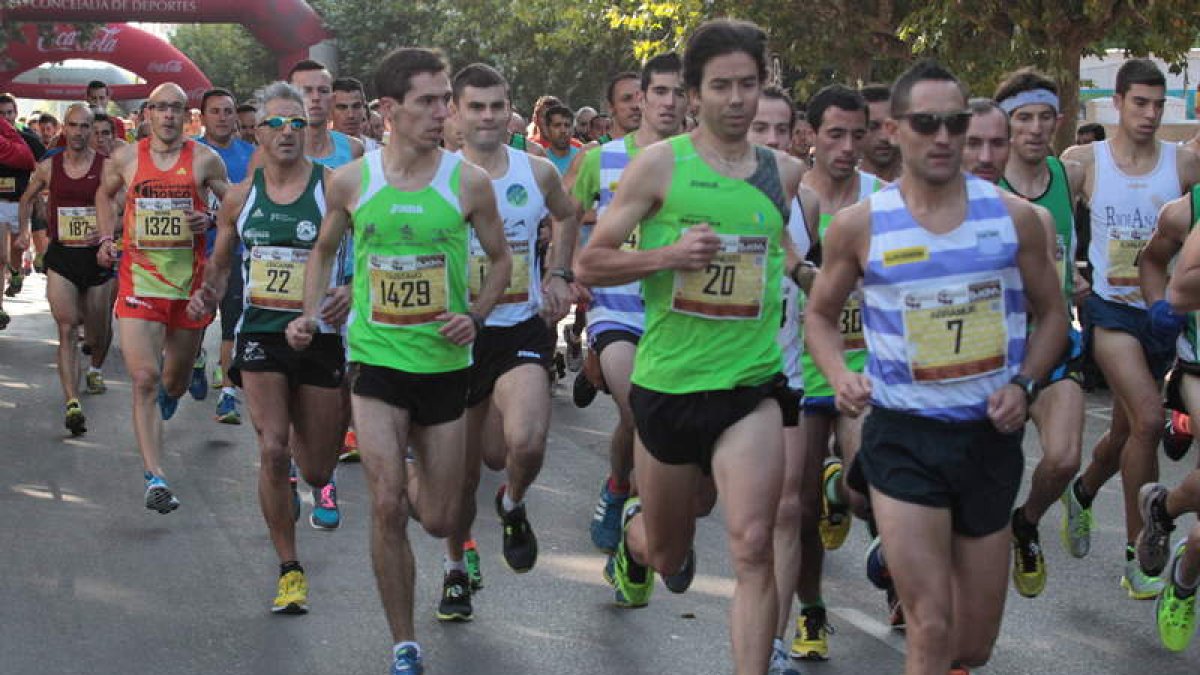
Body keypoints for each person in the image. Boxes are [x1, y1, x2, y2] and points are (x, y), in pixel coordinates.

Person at [805, 59, 1067, 675]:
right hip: (904, 435)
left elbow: (1053, 315)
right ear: (894, 130)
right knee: (929, 621)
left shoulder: (1014, 219)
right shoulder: (860, 226)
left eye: (955, 122)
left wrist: (1025, 384)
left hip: (987, 438)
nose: (945, 136)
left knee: (972, 644)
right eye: (928, 123)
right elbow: (819, 317)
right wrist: (842, 375)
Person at [577, 19, 808, 674]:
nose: (738, 99)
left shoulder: (781, 173)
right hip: (670, 384)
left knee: (754, 544)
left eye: (749, 85)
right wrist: (670, 254)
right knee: (670, 552)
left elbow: (783, 251)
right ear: (694, 94)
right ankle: (633, 537)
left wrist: (815, 280)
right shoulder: (661, 165)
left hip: (750, 386)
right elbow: (592, 262)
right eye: (722, 86)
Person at [285, 46, 511, 675]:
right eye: (429, 101)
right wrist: (308, 314)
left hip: (444, 366)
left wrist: (479, 314)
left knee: (440, 513)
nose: (444, 112)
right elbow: (323, 252)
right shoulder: (353, 181)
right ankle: (404, 644)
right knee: (385, 502)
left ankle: (420, 486)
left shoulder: (467, 182)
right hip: (376, 361)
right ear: (390, 110)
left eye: (446, 100)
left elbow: (500, 260)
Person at [188, 80, 346, 615]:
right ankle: (289, 568)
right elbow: (222, 264)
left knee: (319, 467)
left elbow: (371, 251)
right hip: (259, 334)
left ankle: (312, 479)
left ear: (309, 129)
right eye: (276, 124)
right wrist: (206, 296)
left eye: (296, 123)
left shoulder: (336, 188)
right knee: (273, 448)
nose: (286, 133)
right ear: (258, 130)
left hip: (322, 337)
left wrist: (349, 292)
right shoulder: (240, 195)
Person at [436, 62, 580, 621]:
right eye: (476, 107)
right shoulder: (436, 175)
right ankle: (454, 569)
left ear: (511, 109)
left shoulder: (536, 171)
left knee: (525, 442)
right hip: (455, 337)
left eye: (497, 105)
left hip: (519, 326)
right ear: (455, 112)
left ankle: (514, 502)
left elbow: (568, 218)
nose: (488, 116)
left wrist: (559, 274)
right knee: (465, 470)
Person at [1062, 58, 1200, 598]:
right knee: (1146, 421)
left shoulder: (1183, 164)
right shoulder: (1083, 160)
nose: (1148, 114)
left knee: (1122, 434)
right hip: (1110, 310)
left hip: (1166, 318)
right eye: (1139, 103)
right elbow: (1046, 214)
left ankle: (1084, 487)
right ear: (1117, 102)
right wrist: (1065, 269)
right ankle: (1139, 550)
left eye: (1158, 105)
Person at [569, 52, 689, 562]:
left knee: (652, 420)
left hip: (678, 313)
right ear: (641, 97)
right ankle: (633, 506)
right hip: (616, 309)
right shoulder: (601, 158)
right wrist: (566, 270)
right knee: (637, 407)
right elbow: (566, 216)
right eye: (660, 91)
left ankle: (622, 483)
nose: (669, 101)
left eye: (680, 92)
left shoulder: (701, 161)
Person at [94, 82, 230, 514]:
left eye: (176, 108)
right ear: (147, 114)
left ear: (186, 115)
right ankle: (155, 477)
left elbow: (234, 209)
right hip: (139, 284)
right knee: (145, 379)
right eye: (160, 108)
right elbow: (104, 193)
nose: (168, 115)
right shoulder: (127, 158)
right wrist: (104, 235)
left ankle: (184, 378)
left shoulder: (206, 159)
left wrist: (207, 217)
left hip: (187, 289)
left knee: (171, 382)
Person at [992, 69, 1091, 599]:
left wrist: (1079, 274)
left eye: (1044, 117)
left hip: (1053, 340)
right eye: (1023, 118)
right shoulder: (987, 184)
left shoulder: (1067, 175)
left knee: (1064, 459)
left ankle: (1026, 524)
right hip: (991, 352)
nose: (1034, 128)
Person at [795, 84, 887, 642]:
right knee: (799, 507)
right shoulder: (790, 197)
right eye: (836, 134)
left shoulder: (884, 198)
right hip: (798, 369)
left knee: (864, 490)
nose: (849, 146)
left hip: (863, 367)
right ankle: (811, 609)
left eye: (860, 134)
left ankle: (843, 489)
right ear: (811, 136)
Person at [745, 83, 821, 675]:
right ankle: (641, 541)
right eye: (759, 128)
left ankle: (771, 643)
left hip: (784, 371)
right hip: (708, 376)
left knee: (788, 509)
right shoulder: (694, 188)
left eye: (781, 130)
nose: (772, 141)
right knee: (677, 532)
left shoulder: (805, 197)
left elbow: (802, 277)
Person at [18, 103, 115, 434]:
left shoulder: (107, 166)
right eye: (72, 125)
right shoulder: (49, 165)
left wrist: (109, 233)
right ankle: (72, 402)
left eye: (84, 126)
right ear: (65, 127)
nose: (78, 132)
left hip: (98, 257)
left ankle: (95, 366)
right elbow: (27, 197)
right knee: (67, 328)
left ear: (91, 129)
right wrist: (23, 234)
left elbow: (127, 205)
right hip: (63, 256)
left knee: (98, 333)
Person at [1136, 180, 1200, 652]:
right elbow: (1173, 281)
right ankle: (1183, 584)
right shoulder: (1186, 211)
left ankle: (1164, 510)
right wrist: (1159, 306)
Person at [196, 87, 258, 425]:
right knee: (196, 321)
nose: (222, 117)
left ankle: (227, 394)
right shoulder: (190, 152)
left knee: (233, 322)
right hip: (195, 252)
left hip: (236, 250)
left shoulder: (252, 154)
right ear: (203, 117)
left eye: (228, 111)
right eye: (215, 111)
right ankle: (193, 358)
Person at [0, 95, 42, 327]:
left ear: (15, 114)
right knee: (0, 256)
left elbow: (46, 164)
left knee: (15, 252)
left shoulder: (28, 140)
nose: (5, 118)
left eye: (9, 113)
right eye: (1, 114)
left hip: (20, 205)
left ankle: (15, 272)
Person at [859, 84, 902, 181]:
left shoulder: (926, 188)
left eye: (891, 126)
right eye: (873, 126)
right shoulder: (841, 191)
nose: (884, 137)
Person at [332, 76, 382, 152]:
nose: (350, 115)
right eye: (342, 107)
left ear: (364, 108)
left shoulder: (378, 152)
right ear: (329, 110)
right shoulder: (317, 152)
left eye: (356, 106)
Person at [542, 105, 579, 175]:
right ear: (547, 129)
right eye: (557, 125)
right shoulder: (540, 160)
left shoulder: (582, 158)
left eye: (567, 125)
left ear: (573, 130)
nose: (563, 130)